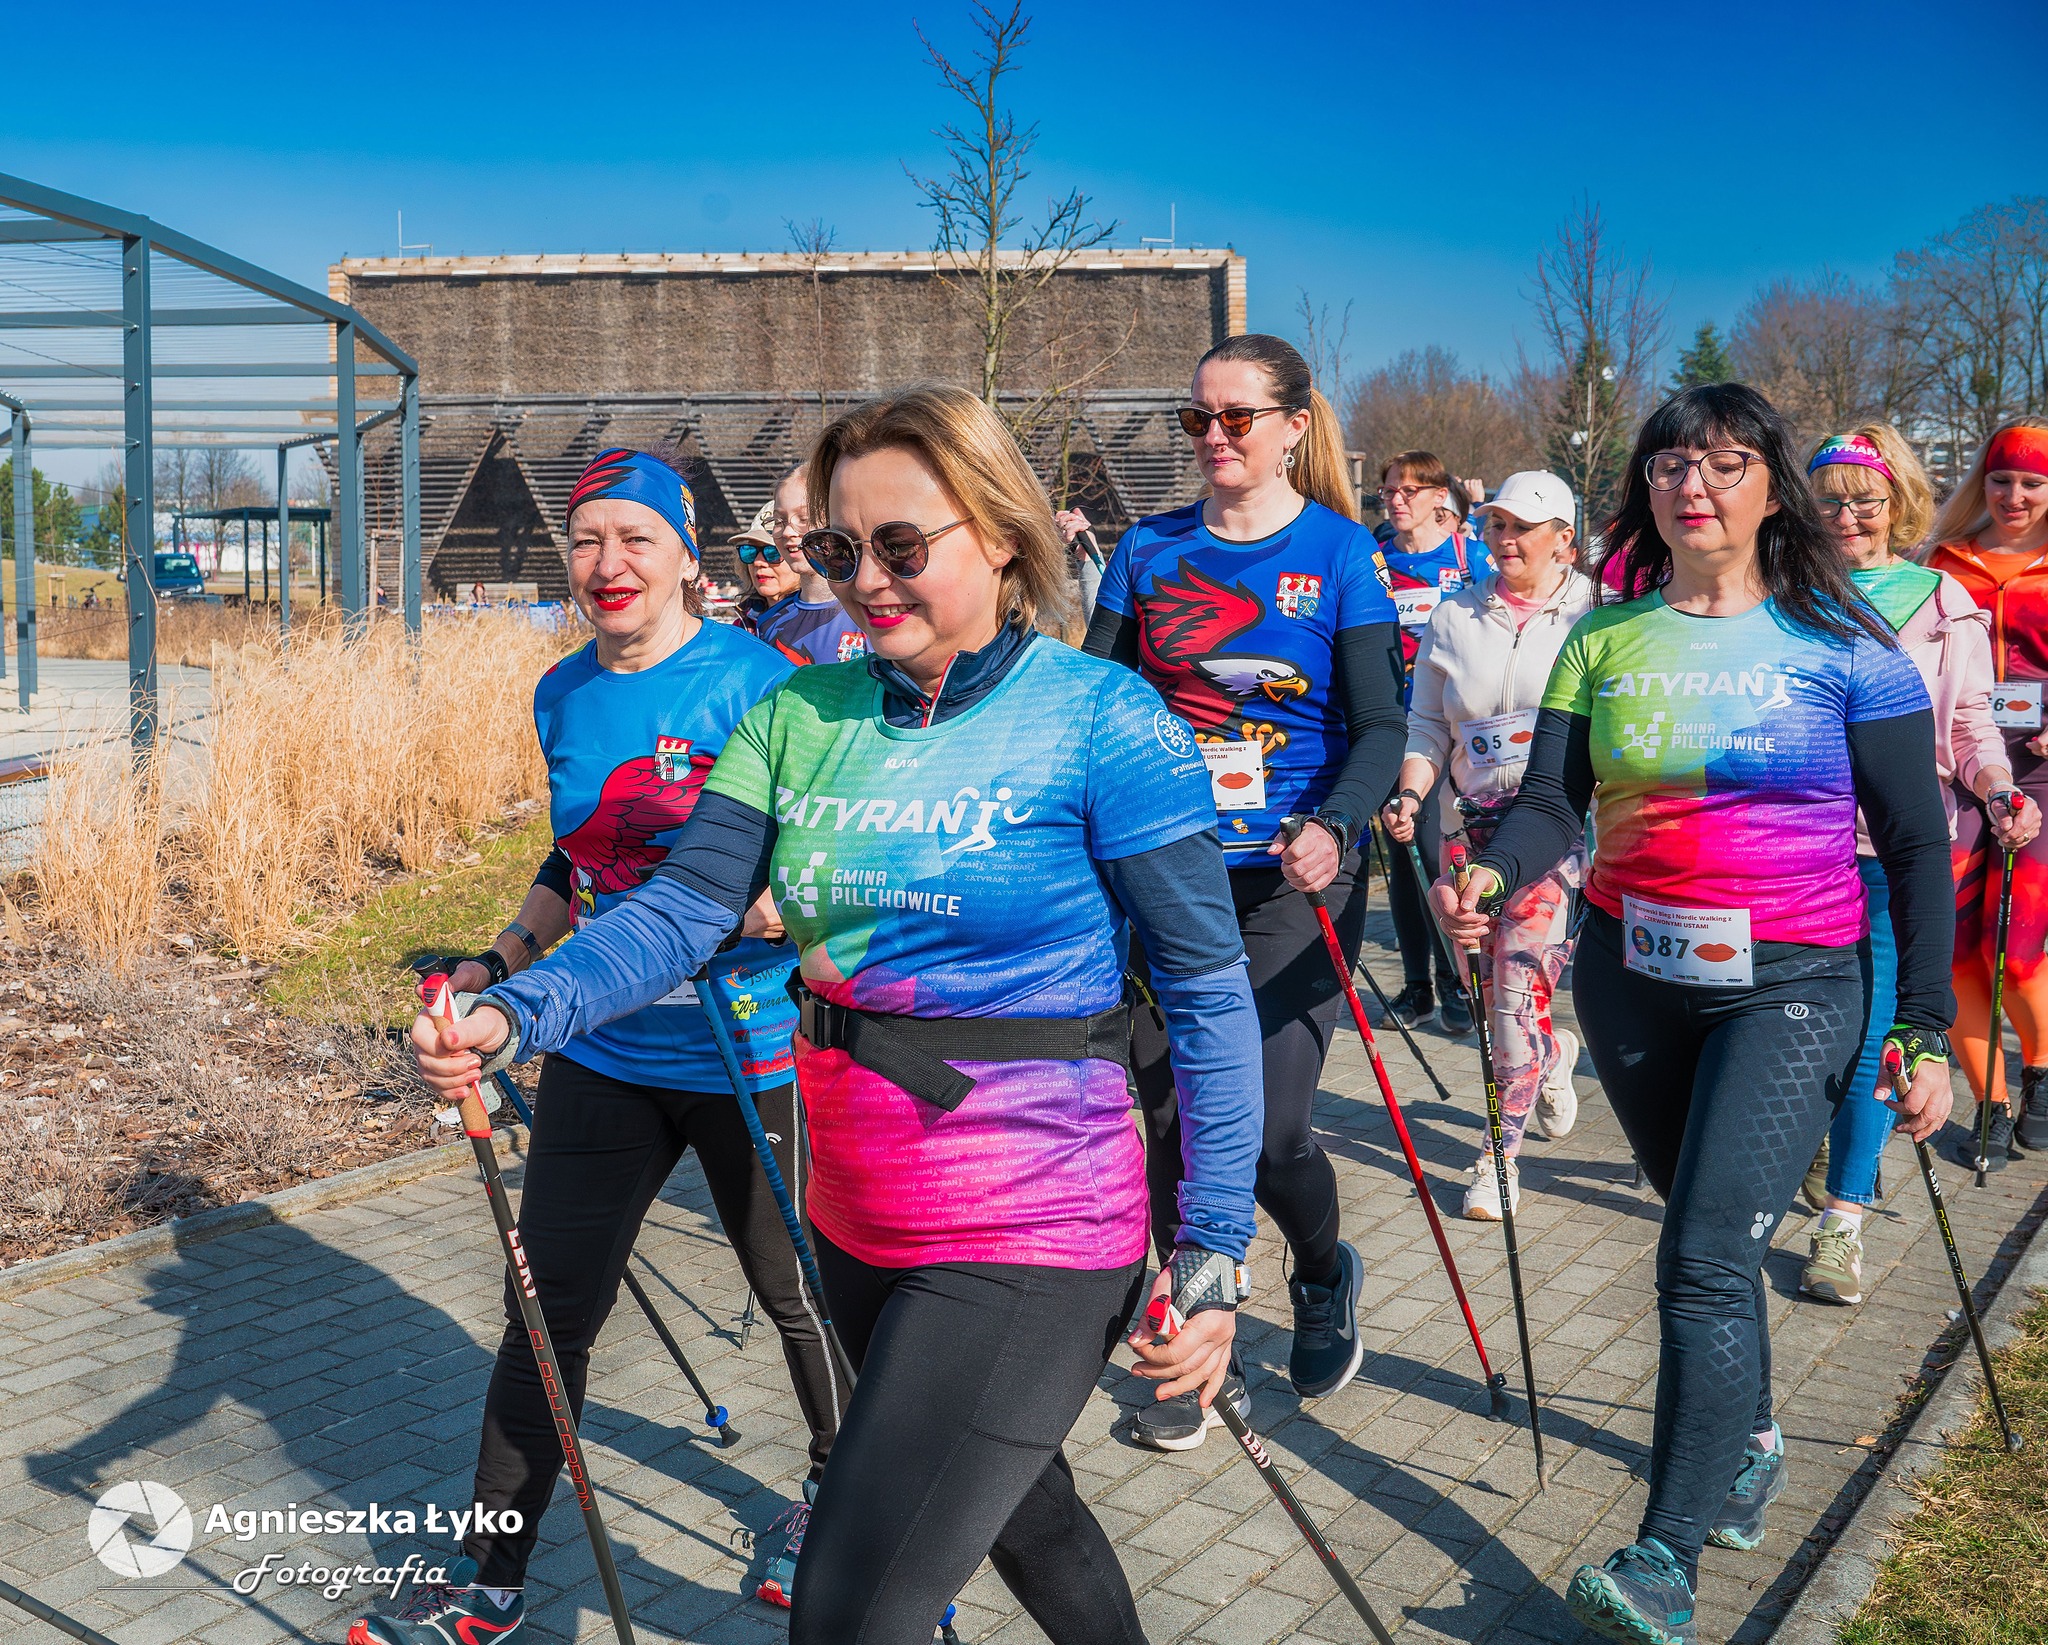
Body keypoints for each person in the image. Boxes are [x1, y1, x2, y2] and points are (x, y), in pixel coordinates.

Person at [411, 386, 1261, 1645]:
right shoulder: (799, 716)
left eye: (900, 545)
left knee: (848, 1608)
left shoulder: (1101, 717)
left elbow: (1203, 985)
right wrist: (515, 1010)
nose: (865, 580)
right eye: (837, 548)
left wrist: (1213, 1239)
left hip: (1034, 1217)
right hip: (860, 1217)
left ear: (1001, 535)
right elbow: (677, 911)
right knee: (1029, 1520)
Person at [1435, 385, 1955, 1642]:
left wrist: (1925, 1024)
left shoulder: (1846, 646)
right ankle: (1750, 1439)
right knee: (1706, 1237)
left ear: (1770, 487)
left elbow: (1912, 844)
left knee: (1701, 1259)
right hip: (1633, 981)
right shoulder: (1603, 638)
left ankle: (1663, 1558)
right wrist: (1492, 874)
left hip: (1793, 984)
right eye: (1669, 463)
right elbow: (1551, 805)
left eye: (1724, 463)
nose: (1692, 485)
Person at [349, 446, 839, 1645]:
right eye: (585, 539)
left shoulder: (763, 682)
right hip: (605, 1049)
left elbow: (827, 856)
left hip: (748, 1050)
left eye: (635, 538)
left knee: (800, 1295)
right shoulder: (561, 691)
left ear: (685, 555)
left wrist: (765, 909)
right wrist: (502, 958)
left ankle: (841, 1506)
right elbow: (578, 857)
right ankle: (490, 1576)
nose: (607, 562)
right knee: (543, 1310)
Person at [1084, 332, 1406, 1447]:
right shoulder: (1146, 550)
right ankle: (1188, 1354)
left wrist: (1335, 823)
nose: (1213, 436)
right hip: (1166, 876)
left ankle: (1321, 1272)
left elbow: (1381, 726)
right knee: (1168, 1125)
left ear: (1292, 428)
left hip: (1291, 875)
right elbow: (1093, 705)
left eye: (1235, 417)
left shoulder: (1341, 552)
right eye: (1196, 418)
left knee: (1266, 1131)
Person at [1798, 427, 2037, 1304]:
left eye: (1865, 499)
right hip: (1796, 847)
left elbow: (1970, 723)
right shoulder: (1785, 591)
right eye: (1829, 500)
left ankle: (1843, 1220)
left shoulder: (1940, 598)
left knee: (1877, 1029)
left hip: (1898, 847)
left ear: (1897, 501)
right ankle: (1822, 1136)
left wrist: (1999, 786)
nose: (1847, 516)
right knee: (1805, 1020)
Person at [1382, 469, 1593, 1221]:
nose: (1505, 539)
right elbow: (1427, 727)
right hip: (1465, 829)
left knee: (1512, 994)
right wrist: (1411, 793)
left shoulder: (1595, 614)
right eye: (1497, 524)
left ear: (1564, 539)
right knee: (1489, 995)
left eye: (1523, 528)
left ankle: (1498, 1156)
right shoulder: (1454, 616)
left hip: (1557, 830)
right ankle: (1552, 1054)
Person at [1926, 420, 2048, 1163]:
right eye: (2002, 479)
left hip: (2038, 773)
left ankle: (2042, 1068)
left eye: (2033, 482)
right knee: (1956, 953)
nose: (2015, 496)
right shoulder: (1943, 561)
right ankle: (1991, 1103)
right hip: (1957, 769)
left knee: (2020, 950)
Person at [1379, 450, 1494, 1032]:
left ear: (1439, 498)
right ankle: (1417, 987)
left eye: (1410, 490)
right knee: (1402, 861)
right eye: (1389, 491)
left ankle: (1454, 983)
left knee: (1432, 854)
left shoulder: (1467, 557)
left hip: (1446, 731)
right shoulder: (1375, 559)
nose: (1397, 500)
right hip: (1391, 725)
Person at [756, 464, 871, 665]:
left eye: (804, 519)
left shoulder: (872, 612)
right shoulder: (769, 622)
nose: (788, 532)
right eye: (779, 520)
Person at [734, 497, 801, 632]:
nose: (758, 562)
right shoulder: (741, 625)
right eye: (750, 551)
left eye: (773, 552)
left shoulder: (819, 623)